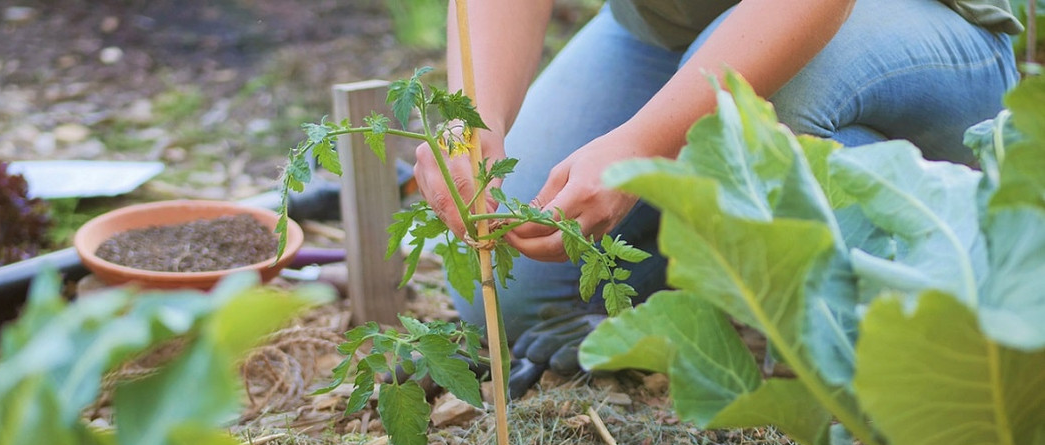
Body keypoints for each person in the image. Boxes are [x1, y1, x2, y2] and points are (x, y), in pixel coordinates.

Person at [413, 0, 1022, 396]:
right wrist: (470, 123)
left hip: (912, 21)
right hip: (662, 35)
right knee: (518, 291)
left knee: (753, 126)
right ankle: (738, 246)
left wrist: (644, 143)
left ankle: (946, 287)